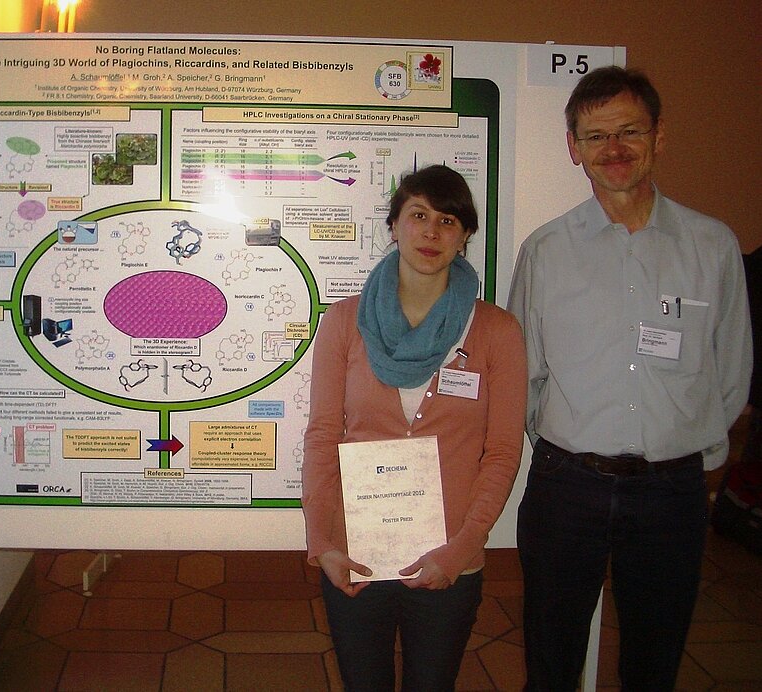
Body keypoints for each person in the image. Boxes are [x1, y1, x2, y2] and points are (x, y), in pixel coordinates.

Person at [508, 66, 753, 691]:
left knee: (654, 660)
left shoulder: (712, 246)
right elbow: (525, 371)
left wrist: (692, 449)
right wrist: (562, 446)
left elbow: (731, 370)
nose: (613, 149)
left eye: (629, 131)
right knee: (551, 657)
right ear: (573, 147)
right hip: (567, 486)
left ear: (658, 136)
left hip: (672, 491)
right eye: (595, 136)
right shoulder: (545, 250)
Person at [302, 164, 527, 690]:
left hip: (449, 558)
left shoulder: (496, 331)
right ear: (394, 226)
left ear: (465, 236)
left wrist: (463, 548)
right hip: (354, 553)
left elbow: (501, 452)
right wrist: (322, 541)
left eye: (448, 220)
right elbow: (322, 436)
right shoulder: (344, 321)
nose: (431, 232)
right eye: (419, 215)